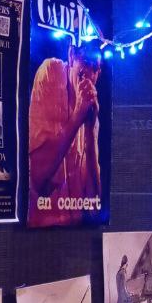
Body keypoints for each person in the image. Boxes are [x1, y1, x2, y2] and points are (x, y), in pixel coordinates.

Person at [28, 42, 101, 225]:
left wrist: (90, 132)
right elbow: (37, 178)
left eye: (95, 67)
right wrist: (76, 118)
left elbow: (94, 207)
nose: (89, 74)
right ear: (71, 56)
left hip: (74, 229)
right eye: (85, 62)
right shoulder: (51, 71)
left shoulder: (92, 111)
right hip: (41, 229)